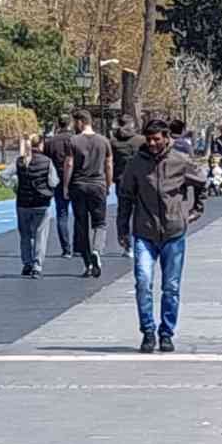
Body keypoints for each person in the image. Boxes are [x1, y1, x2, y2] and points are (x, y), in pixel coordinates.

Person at [116, 119, 207, 353]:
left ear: (167, 137)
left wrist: (195, 210)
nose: (153, 143)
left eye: (157, 139)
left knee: (171, 286)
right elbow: (125, 196)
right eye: (149, 139)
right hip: (144, 232)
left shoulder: (180, 161)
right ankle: (147, 331)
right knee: (143, 282)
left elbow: (202, 182)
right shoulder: (136, 164)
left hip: (173, 231)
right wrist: (122, 229)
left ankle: (166, 333)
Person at [0, 134, 58, 278]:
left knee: (25, 235)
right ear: (41, 145)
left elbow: (3, 175)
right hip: (41, 204)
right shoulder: (47, 161)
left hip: (23, 203)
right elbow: (54, 181)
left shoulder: (20, 161)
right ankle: (37, 266)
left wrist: (15, 186)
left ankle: (27, 263)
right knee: (40, 235)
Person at [63, 109, 113, 277]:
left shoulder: (73, 141)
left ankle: (88, 264)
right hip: (98, 185)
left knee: (81, 224)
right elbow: (108, 164)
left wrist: (65, 186)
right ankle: (97, 250)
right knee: (100, 223)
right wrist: (107, 183)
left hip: (78, 185)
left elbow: (69, 164)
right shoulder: (104, 141)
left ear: (80, 122)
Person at [110, 114, 144, 257]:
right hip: (139, 181)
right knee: (141, 212)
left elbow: (109, 161)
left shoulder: (113, 142)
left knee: (123, 212)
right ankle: (140, 242)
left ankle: (126, 244)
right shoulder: (141, 141)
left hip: (121, 180)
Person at [41, 117, 75, 259]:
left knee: (62, 214)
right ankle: (80, 246)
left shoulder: (50, 142)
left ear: (58, 125)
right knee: (81, 214)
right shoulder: (75, 139)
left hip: (57, 179)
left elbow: (45, 162)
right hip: (75, 178)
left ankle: (66, 248)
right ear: (70, 124)